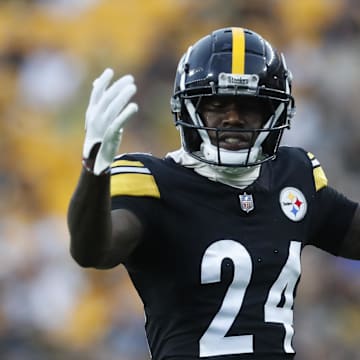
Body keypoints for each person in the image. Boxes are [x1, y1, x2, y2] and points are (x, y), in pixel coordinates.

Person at [67, 27, 360, 360]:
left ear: (274, 113)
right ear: (191, 109)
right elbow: (92, 252)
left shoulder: (294, 175)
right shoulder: (154, 182)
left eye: (249, 106)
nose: (232, 118)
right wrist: (94, 169)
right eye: (217, 104)